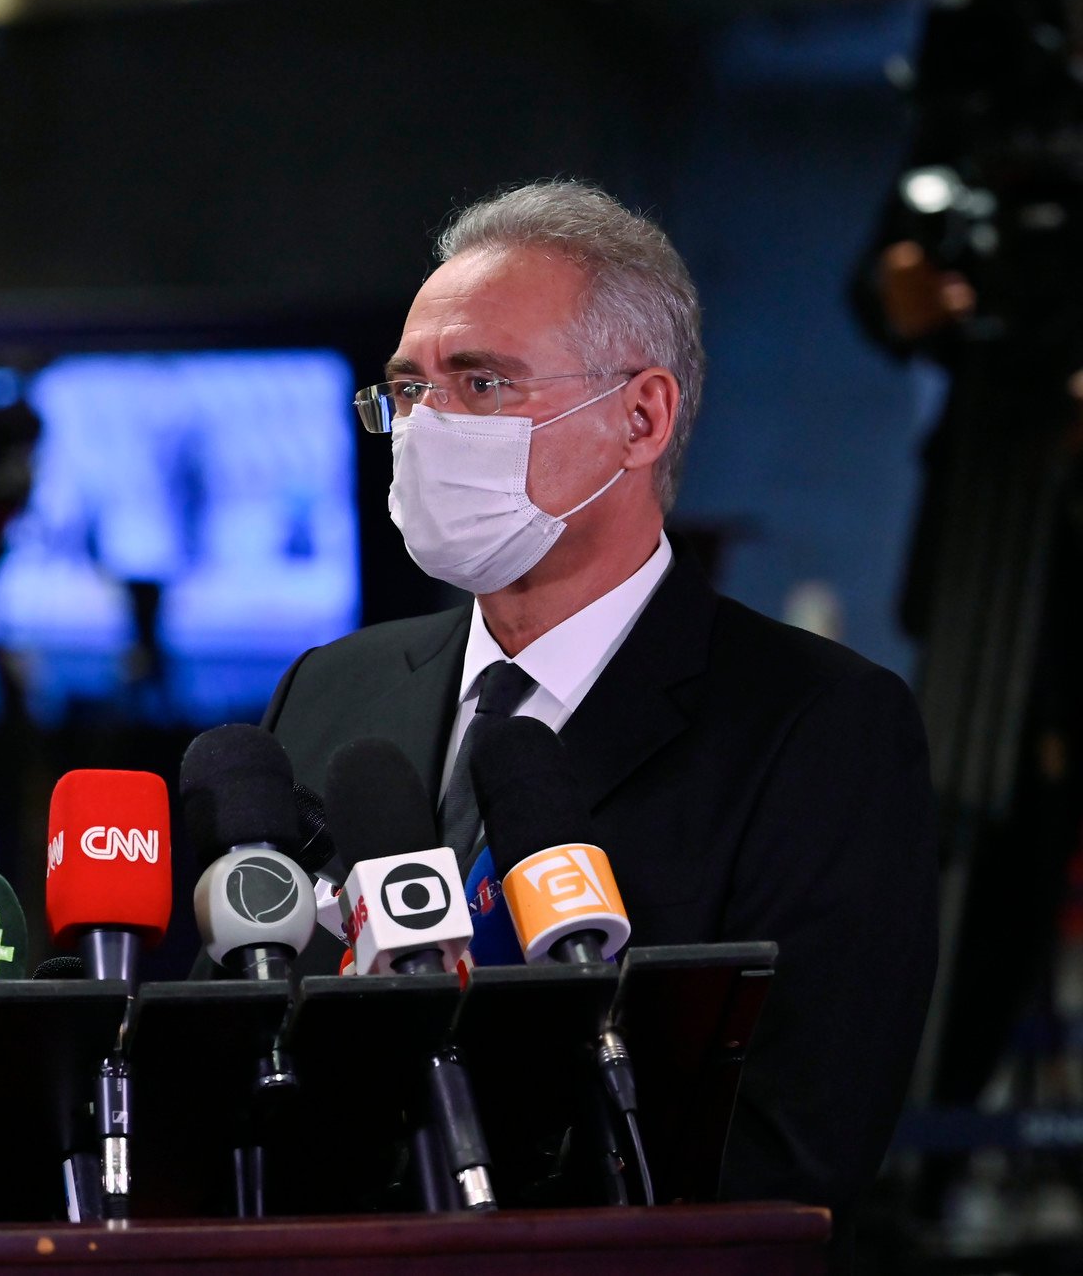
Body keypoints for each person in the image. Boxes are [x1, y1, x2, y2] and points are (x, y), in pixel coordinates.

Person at [264, 181, 937, 1220]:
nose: (425, 426)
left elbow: (793, 1151)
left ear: (640, 415)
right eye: (406, 389)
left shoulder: (818, 725)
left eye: (480, 382)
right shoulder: (327, 693)